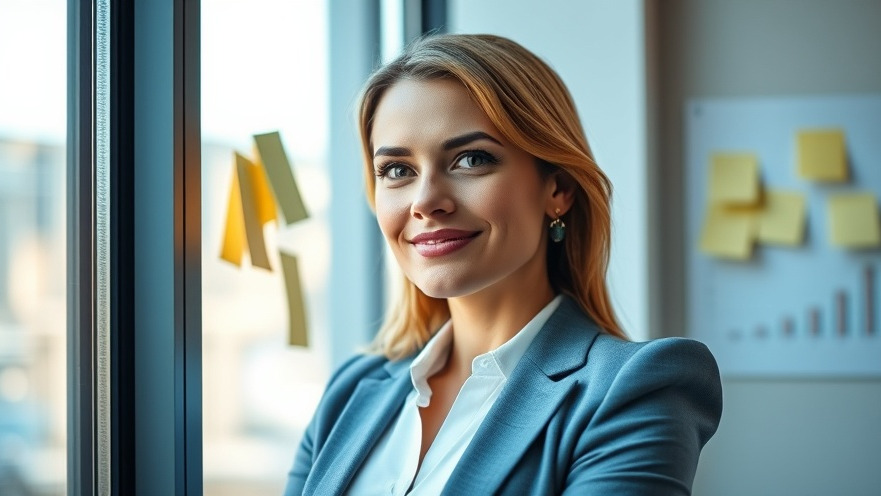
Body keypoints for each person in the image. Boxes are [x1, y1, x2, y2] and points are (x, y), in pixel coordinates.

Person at [284, 33, 722, 495]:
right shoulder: (351, 392)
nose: (426, 201)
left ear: (558, 190)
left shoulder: (637, 390)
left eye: (471, 159)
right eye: (397, 170)